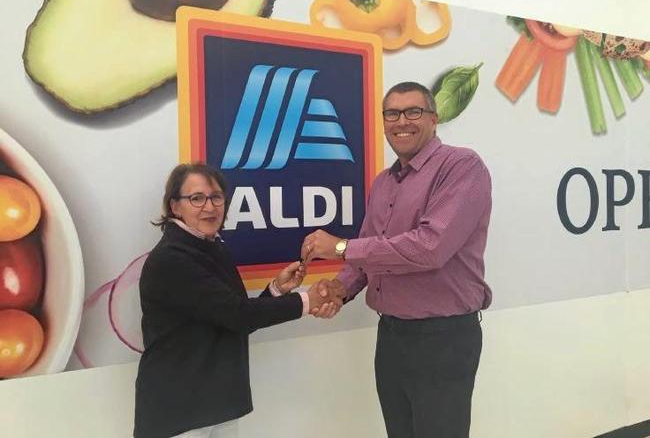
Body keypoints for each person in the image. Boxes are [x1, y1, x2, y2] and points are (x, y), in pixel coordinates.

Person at [302, 81, 492, 438]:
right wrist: (339, 289)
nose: (401, 121)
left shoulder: (461, 166)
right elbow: (369, 251)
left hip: (443, 337)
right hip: (391, 335)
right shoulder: (385, 182)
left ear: (434, 119)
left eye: (413, 112)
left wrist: (340, 248)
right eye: (392, 113)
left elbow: (428, 248)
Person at [134, 163, 340, 438]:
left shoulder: (211, 245)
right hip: (179, 413)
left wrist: (276, 289)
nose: (209, 207)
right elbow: (239, 314)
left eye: (216, 197)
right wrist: (307, 300)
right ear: (175, 206)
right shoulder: (172, 258)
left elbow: (234, 318)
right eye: (196, 198)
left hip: (217, 405)